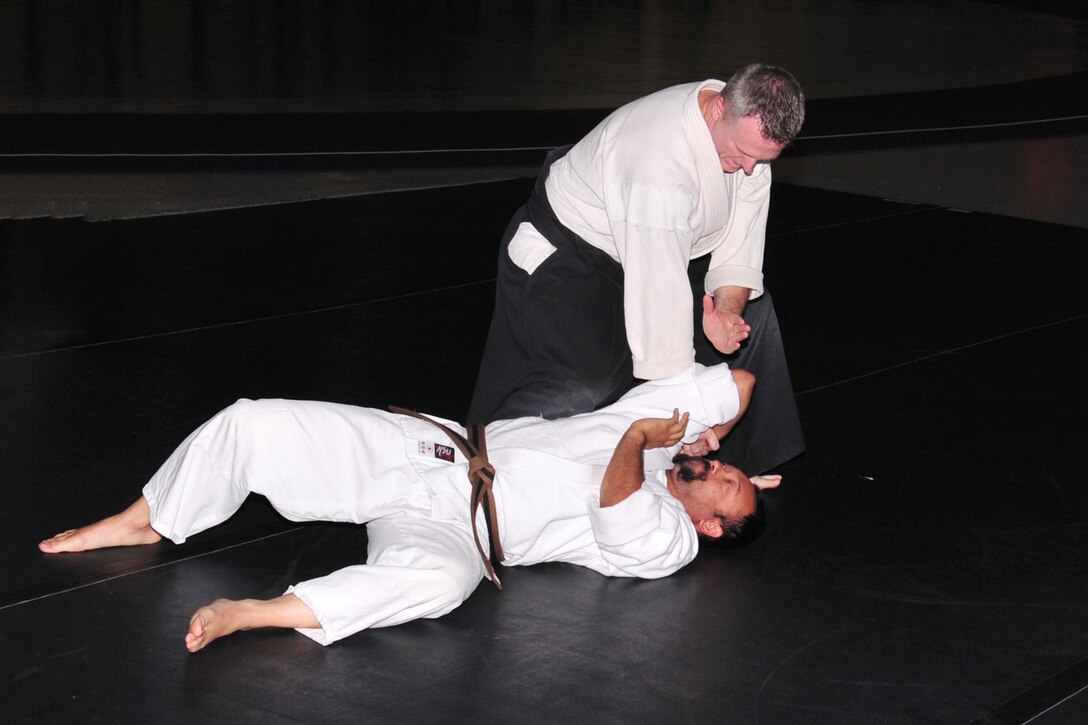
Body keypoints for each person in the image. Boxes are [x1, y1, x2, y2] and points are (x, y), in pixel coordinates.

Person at [39, 363, 780, 652]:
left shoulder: (669, 540)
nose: (719, 468)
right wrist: (699, 431)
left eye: (727, 484)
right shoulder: (666, 438)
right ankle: (146, 516)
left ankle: (257, 611)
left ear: (711, 524)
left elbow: (614, 503)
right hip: (435, 449)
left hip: (462, 527)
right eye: (728, 465)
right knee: (255, 417)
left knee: (440, 585)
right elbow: (740, 381)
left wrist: (642, 438)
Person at [468, 63, 806, 475]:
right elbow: (658, 295)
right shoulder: (658, 161)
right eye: (741, 156)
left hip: (656, 243)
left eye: (762, 160)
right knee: (584, 385)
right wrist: (685, 414)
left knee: (754, 315)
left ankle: (721, 477)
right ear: (718, 108)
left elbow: (741, 242)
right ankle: (489, 471)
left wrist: (729, 311)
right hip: (571, 256)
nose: (750, 169)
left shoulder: (744, 139)